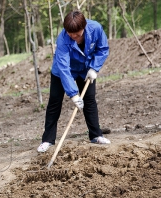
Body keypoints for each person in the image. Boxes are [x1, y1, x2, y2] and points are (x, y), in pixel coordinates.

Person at [38, 10, 110, 153]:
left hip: (85, 70)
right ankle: (47, 140)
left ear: (84, 27)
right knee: (54, 101)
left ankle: (96, 135)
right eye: (71, 35)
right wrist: (73, 94)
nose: (75, 37)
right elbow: (64, 68)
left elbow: (102, 49)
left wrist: (94, 68)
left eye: (77, 34)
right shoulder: (63, 39)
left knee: (89, 100)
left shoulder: (95, 28)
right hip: (63, 72)